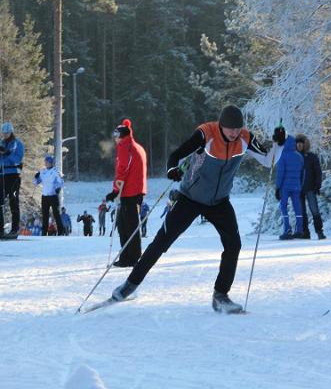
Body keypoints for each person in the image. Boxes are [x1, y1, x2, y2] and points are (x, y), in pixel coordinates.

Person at [111, 105, 281, 314]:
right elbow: (177, 154)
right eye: (230, 129)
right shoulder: (206, 134)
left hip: (219, 201)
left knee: (233, 244)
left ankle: (220, 296)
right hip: (190, 198)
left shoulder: (245, 138)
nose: (234, 133)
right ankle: (130, 285)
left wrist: (279, 143)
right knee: (161, 242)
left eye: (237, 129)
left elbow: (268, 160)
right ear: (221, 125)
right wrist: (172, 169)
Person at [105, 118, 147, 267]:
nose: (115, 139)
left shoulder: (125, 146)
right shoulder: (136, 146)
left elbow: (122, 169)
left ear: (120, 136)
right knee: (125, 225)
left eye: (116, 136)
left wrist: (115, 191)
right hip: (134, 191)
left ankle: (132, 258)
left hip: (129, 192)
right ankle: (128, 256)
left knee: (128, 226)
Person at [0, 122, 24, 239]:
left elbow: (17, 159)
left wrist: (8, 153)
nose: (5, 135)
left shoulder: (17, 144)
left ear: (11, 132)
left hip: (14, 175)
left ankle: (15, 229)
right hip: (3, 174)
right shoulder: (1, 143)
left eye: (7, 133)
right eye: (3, 133)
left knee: (13, 201)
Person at [274, 127, 304, 240]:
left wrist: (277, 188)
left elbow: (280, 174)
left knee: (284, 207)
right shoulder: (299, 156)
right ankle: (299, 230)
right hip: (296, 186)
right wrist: (301, 184)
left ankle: (287, 230)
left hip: (285, 187)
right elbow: (303, 173)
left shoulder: (282, 156)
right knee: (298, 207)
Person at [295, 134, 326, 240]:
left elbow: (318, 172)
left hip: (310, 188)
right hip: (297, 189)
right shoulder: (293, 157)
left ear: (305, 144)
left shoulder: (311, 157)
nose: (299, 145)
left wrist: (318, 185)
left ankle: (319, 231)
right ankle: (305, 232)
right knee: (301, 211)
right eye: (297, 143)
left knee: (314, 210)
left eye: (301, 143)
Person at [33, 156, 65, 236]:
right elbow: (36, 182)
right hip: (44, 196)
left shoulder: (55, 171)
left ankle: (61, 231)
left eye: (47, 162)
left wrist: (57, 188)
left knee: (56, 214)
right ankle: (44, 232)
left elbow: (61, 182)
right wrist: (36, 177)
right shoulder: (43, 172)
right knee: (45, 215)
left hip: (53, 195)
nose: (46, 163)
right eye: (45, 162)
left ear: (51, 163)